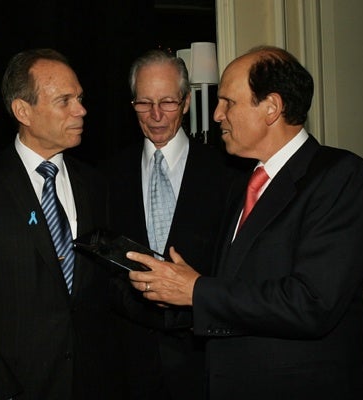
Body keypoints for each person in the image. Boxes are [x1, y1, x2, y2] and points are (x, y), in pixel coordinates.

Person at [127, 45, 363, 399]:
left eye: (228, 102)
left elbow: (312, 302)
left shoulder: (339, 176)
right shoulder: (244, 183)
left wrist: (197, 290)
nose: (216, 115)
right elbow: (236, 286)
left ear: (272, 108)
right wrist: (176, 292)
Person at [0, 48, 129, 400]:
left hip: (92, 381)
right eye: (64, 100)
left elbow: (103, 286)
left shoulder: (95, 184)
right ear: (23, 111)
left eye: (80, 98)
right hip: (13, 386)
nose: (81, 110)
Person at [98, 49, 241, 400]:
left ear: (187, 102)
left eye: (168, 102)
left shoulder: (229, 173)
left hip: (206, 355)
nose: (157, 115)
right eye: (144, 103)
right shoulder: (106, 175)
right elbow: (102, 267)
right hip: (130, 360)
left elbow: (238, 268)